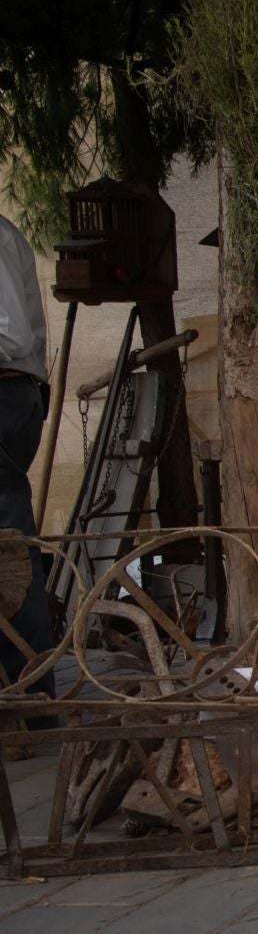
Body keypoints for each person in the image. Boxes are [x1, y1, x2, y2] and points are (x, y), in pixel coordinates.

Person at [0, 212, 55, 716]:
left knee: (10, 550)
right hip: (12, 394)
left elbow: (11, 338)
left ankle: (29, 699)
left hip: (5, 394)